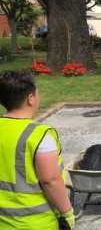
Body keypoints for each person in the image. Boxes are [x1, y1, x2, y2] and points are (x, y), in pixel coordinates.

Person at [0, 71, 74, 230]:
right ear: (30, 98)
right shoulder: (40, 135)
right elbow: (50, 180)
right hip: (36, 222)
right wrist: (67, 213)